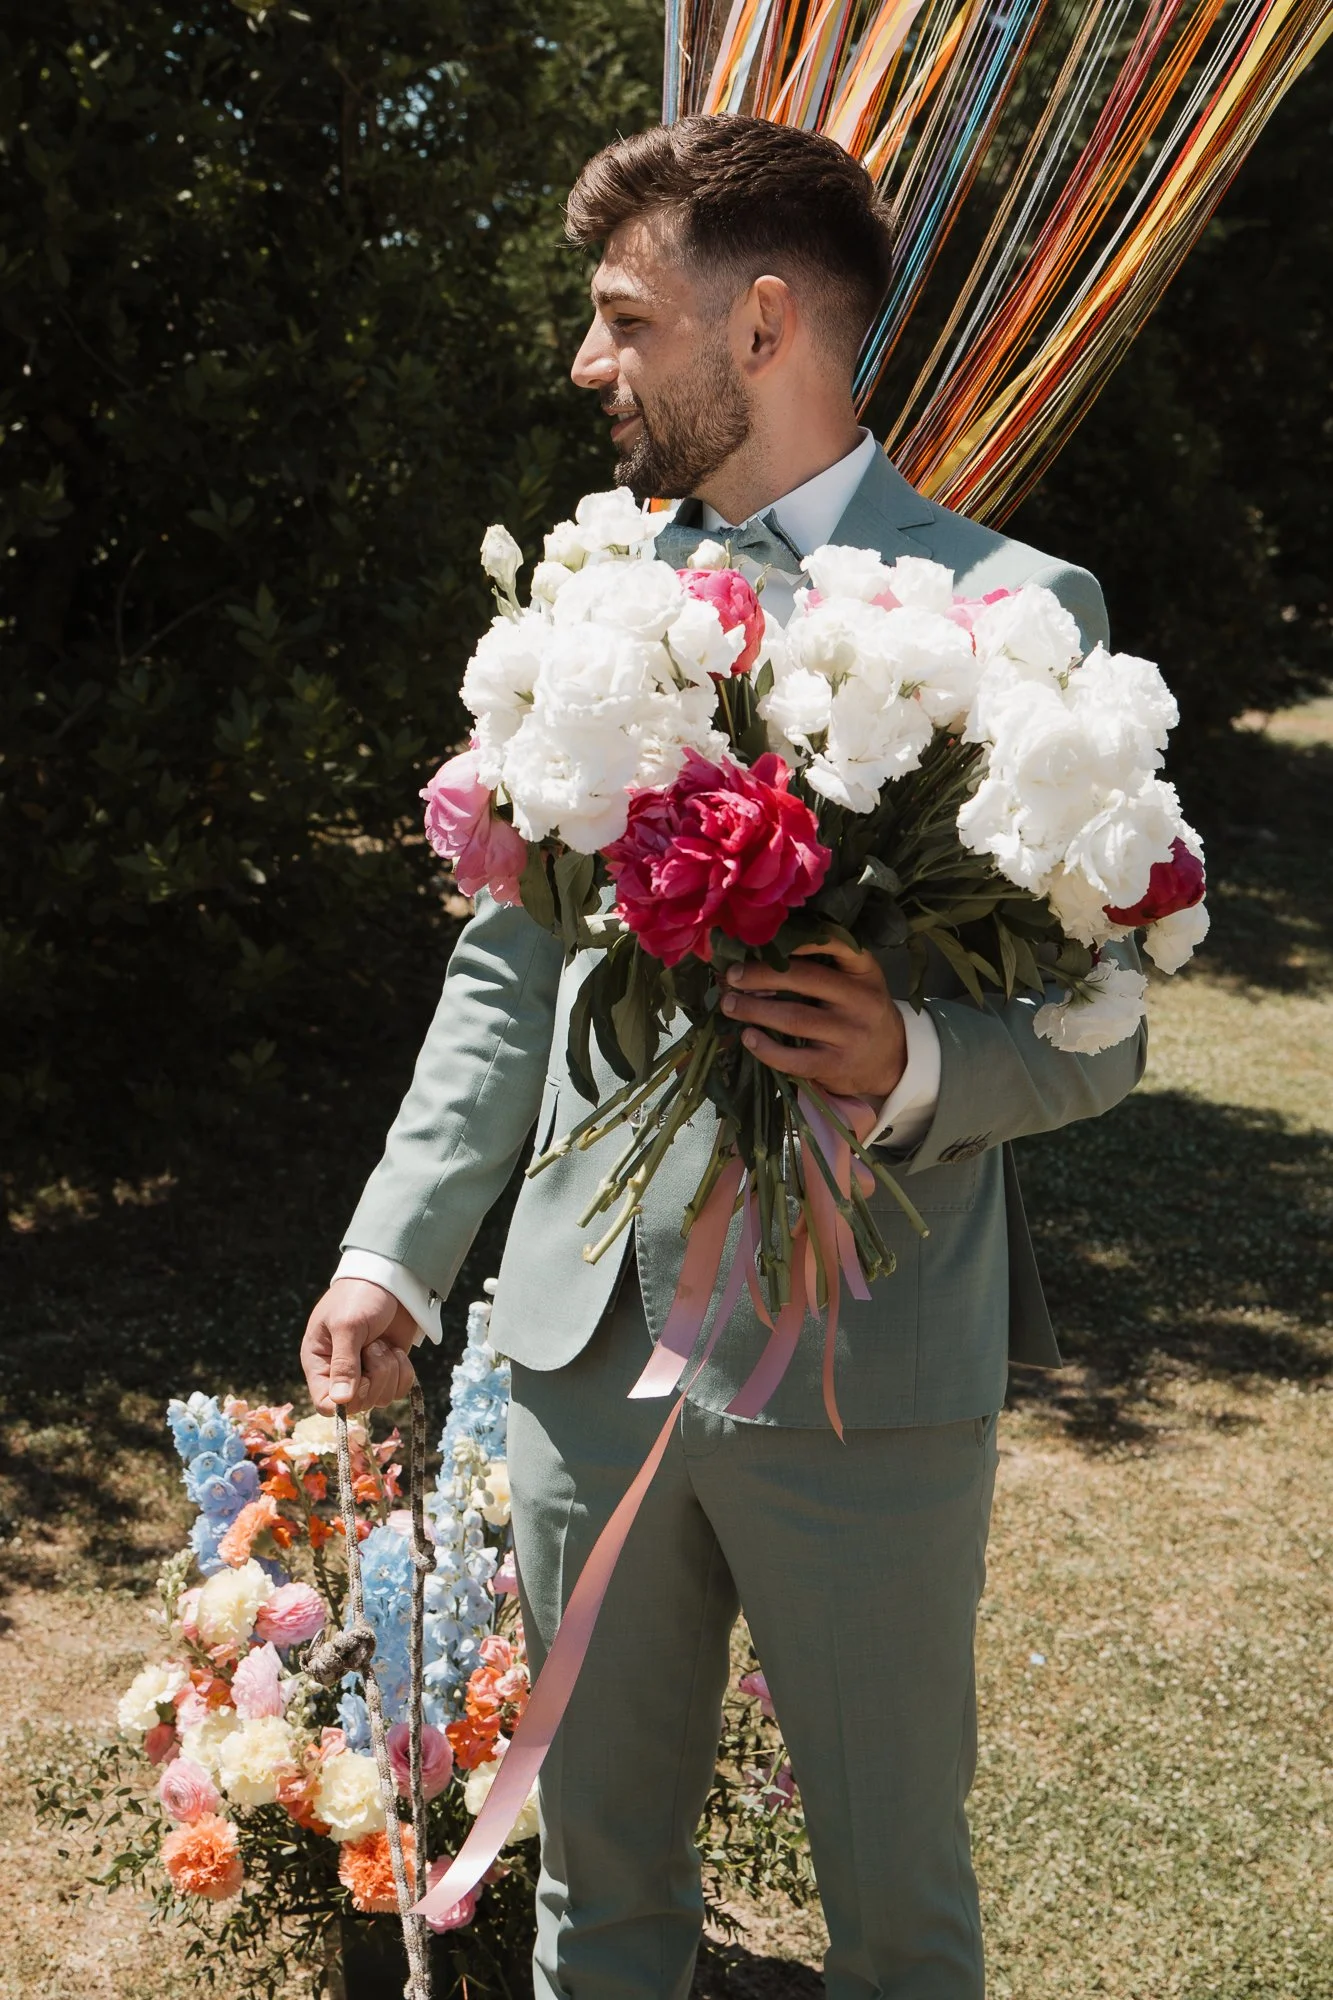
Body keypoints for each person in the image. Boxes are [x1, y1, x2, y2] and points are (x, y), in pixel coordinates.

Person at [301, 115, 1144, 2000]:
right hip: (580, 1359)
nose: (588, 365)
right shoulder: (586, 610)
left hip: (864, 1377)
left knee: (897, 1922)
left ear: (761, 322)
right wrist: (392, 1254)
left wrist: (914, 1054)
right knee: (596, 1906)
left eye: (624, 320)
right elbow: (513, 975)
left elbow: (1101, 1024)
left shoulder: (1019, 613)